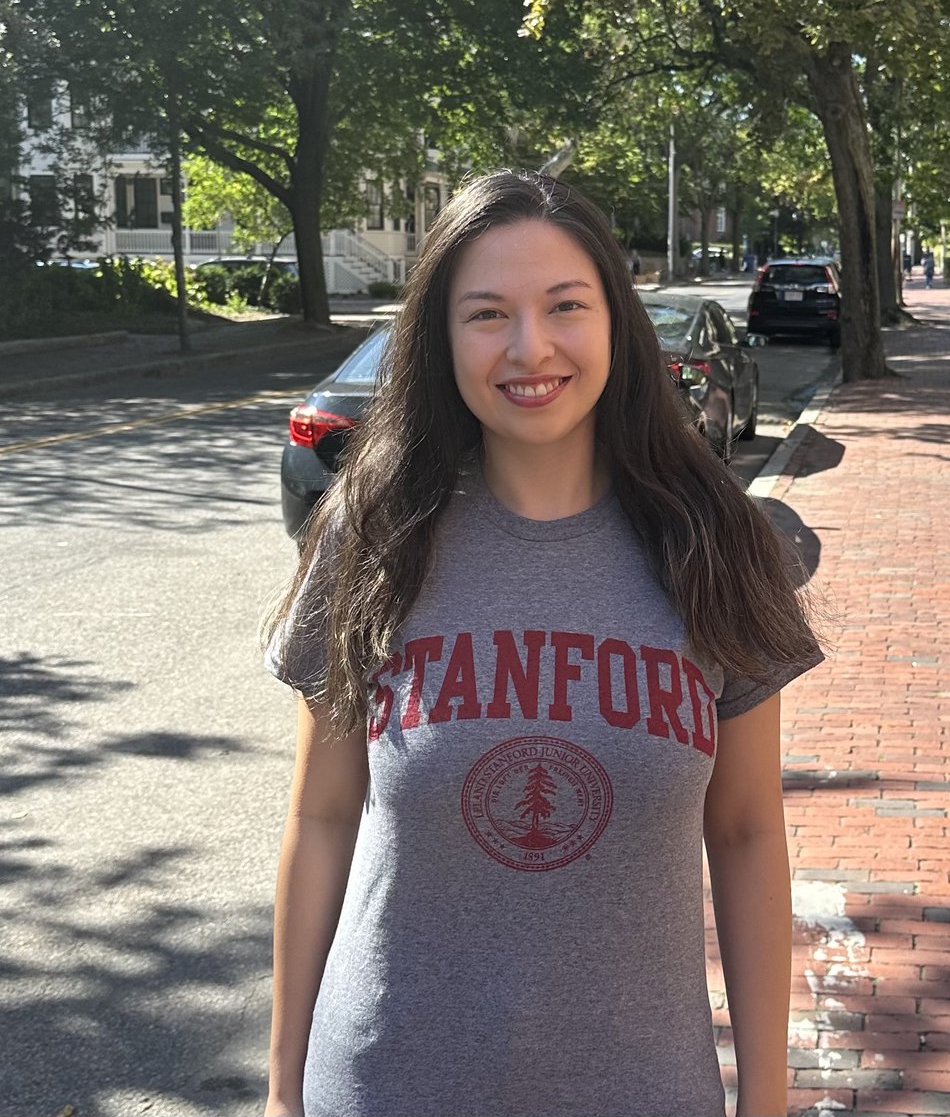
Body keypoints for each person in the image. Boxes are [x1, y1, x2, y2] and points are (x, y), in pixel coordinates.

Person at [262, 169, 823, 1117]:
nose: (531, 348)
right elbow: (322, 820)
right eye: (487, 314)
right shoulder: (375, 532)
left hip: (641, 1090)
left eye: (566, 305)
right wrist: (282, 1094)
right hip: (386, 1084)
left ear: (616, 321)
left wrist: (765, 1102)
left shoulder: (718, 541)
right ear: (440, 340)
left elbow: (747, 833)